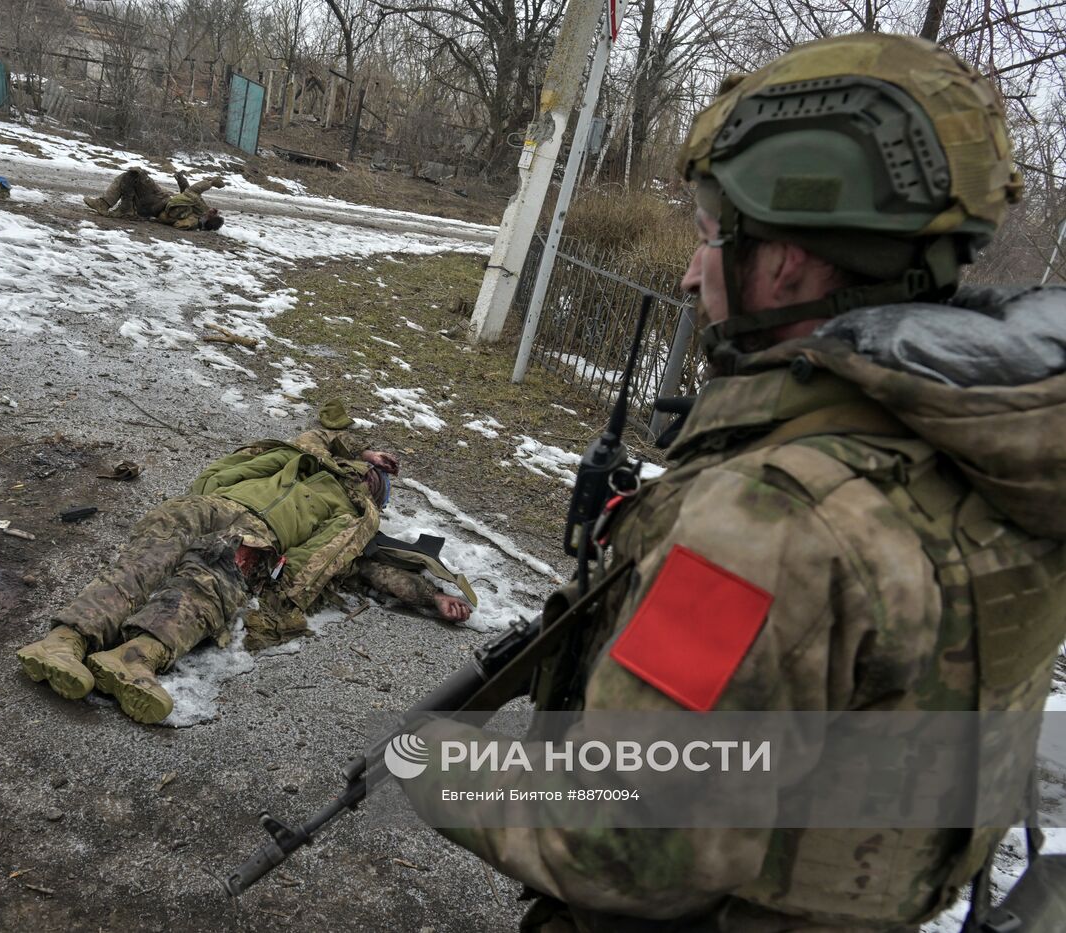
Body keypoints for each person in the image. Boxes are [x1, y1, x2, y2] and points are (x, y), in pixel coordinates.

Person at [402, 33, 1066, 931]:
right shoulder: (991, 443)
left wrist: (430, 763)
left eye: (712, 236)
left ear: (789, 258)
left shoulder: (777, 519)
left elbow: (622, 842)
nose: (688, 270)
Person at [18, 402, 475, 724]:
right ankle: (64, 642)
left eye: (375, 481)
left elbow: (364, 566)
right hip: (215, 505)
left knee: (210, 581)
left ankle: (133, 658)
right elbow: (315, 435)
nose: (369, 477)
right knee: (150, 554)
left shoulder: (357, 518)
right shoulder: (304, 460)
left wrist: (433, 596)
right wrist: (360, 451)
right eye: (369, 469)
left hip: (256, 539)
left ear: (375, 495)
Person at [83, 167, 227, 231]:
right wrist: (182, 181)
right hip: (157, 200)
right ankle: (111, 205)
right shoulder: (197, 215)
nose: (214, 211)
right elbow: (185, 197)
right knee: (130, 176)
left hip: (156, 202)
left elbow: (191, 193)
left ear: (209, 219)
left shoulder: (194, 219)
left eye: (215, 214)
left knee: (134, 175)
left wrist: (211, 182)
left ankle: (119, 207)